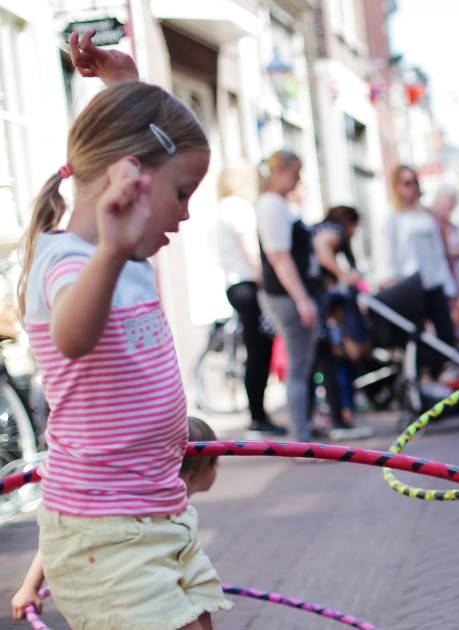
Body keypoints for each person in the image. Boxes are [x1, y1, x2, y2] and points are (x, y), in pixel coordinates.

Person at [13, 32, 230, 627]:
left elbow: (130, 136)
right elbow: (71, 337)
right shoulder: (71, 262)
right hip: (105, 533)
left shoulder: (123, 258)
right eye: (181, 193)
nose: (186, 214)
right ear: (126, 180)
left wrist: (125, 84)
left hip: (159, 512)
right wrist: (109, 251)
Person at [12, 417, 224, 621]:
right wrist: (30, 586)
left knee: (202, 602)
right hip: (116, 590)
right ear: (192, 476)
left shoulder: (178, 512)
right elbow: (60, 536)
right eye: (215, 462)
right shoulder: (134, 506)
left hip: (156, 589)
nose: (218, 468)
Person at [257, 150, 323, 444]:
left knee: (303, 366)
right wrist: (302, 299)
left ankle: (304, 429)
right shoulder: (271, 205)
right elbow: (279, 257)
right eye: (295, 174)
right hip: (287, 296)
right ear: (281, 172)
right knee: (298, 368)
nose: (298, 180)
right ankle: (301, 438)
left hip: (292, 294)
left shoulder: (278, 205)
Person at [215, 161, 285, 435]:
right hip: (247, 285)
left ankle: (258, 413)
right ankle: (258, 415)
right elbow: (251, 253)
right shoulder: (239, 209)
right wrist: (267, 283)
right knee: (259, 352)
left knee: (256, 351)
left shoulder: (222, 209)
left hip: (234, 284)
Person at [312, 205, 374, 437]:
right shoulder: (333, 231)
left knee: (322, 362)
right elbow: (322, 250)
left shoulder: (320, 229)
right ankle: (339, 417)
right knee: (329, 361)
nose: (355, 232)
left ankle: (335, 414)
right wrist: (344, 275)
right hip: (315, 306)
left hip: (314, 304)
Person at [385, 165, 458, 356]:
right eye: (406, 183)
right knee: (420, 340)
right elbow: (389, 255)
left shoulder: (428, 216)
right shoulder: (394, 218)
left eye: (414, 182)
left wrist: (449, 287)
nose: (412, 188)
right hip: (410, 286)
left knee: (446, 336)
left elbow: (439, 253)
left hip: (434, 283)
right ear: (397, 187)